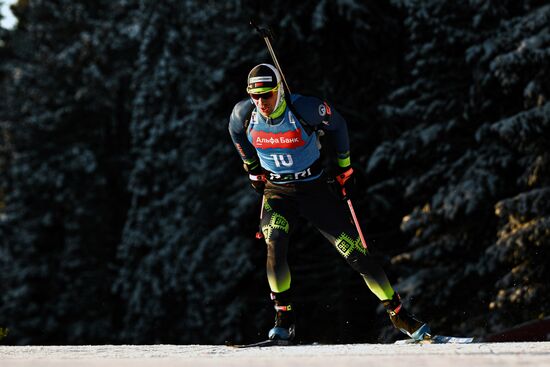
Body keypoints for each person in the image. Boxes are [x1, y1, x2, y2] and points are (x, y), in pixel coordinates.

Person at [228, 63, 430, 342]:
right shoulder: (244, 115)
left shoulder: (305, 109)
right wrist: (251, 166)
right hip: (277, 192)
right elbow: (235, 133)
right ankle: (284, 317)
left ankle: (399, 314)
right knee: (274, 242)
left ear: (280, 90)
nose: (261, 102)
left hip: (314, 190)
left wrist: (344, 167)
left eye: (268, 94)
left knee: (355, 253)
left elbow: (338, 125)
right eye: (256, 96)